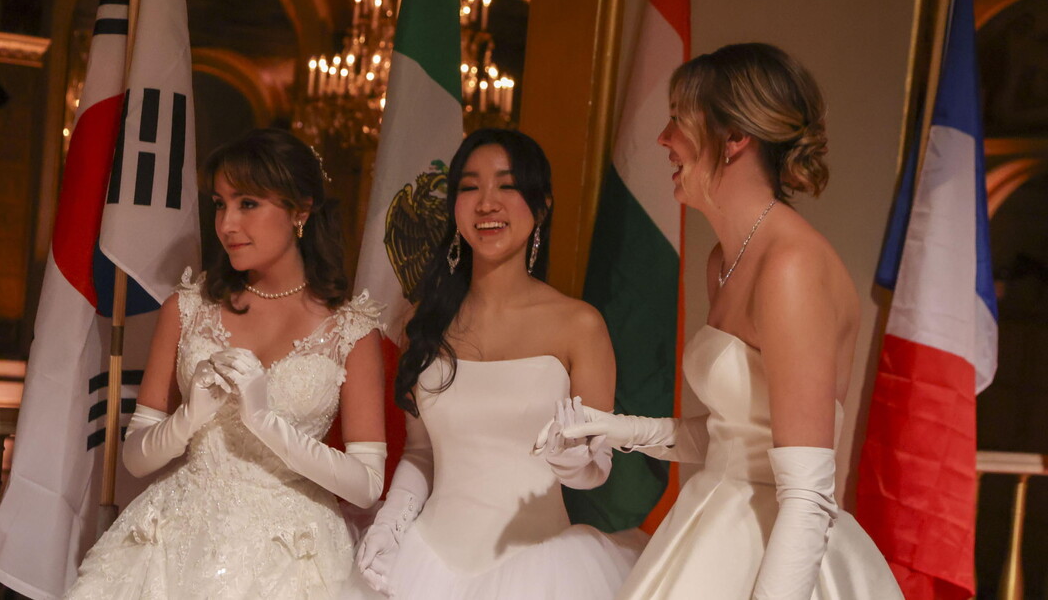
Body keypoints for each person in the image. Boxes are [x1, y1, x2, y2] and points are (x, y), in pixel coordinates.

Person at [547, 43, 905, 599]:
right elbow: (735, 436)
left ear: (735, 138)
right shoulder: (724, 260)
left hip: (780, 552)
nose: (664, 139)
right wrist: (620, 430)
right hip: (715, 521)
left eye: (677, 121)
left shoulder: (791, 267)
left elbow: (808, 497)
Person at [64, 128, 386, 599]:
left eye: (248, 204)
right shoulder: (188, 307)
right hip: (176, 542)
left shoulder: (352, 330)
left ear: (301, 209)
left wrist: (265, 421)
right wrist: (189, 417)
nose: (228, 224)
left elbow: (366, 486)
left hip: (291, 555)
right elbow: (135, 458)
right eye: (220, 204)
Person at [343, 128, 642, 599]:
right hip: (428, 565)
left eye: (506, 186)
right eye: (469, 186)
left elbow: (597, 466)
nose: (487, 203)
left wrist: (576, 463)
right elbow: (421, 454)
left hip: (542, 570)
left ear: (541, 206)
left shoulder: (579, 325)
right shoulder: (425, 320)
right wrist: (389, 524)